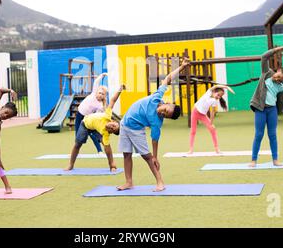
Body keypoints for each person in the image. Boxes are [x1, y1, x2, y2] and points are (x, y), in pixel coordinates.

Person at [117, 58, 190, 192]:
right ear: (167, 103)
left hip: (135, 130)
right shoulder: (157, 96)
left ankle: (160, 182)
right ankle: (129, 182)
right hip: (124, 124)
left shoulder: (157, 122)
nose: (163, 113)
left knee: (147, 157)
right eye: (166, 110)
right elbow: (168, 78)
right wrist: (182, 67)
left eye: (166, 115)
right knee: (126, 154)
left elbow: (155, 140)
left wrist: (155, 156)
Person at [249, 46, 283, 167]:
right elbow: (264, 57)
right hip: (260, 109)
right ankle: (253, 160)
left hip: (272, 111)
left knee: (272, 135)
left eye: (281, 79)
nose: (277, 79)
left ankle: (275, 159)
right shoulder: (266, 73)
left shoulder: (282, 87)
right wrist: (277, 50)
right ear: (278, 70)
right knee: (259, 134)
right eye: (278, 75)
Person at [66, 85, 125, 172]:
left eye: (112, 129)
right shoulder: (108, 115)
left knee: (105, 145)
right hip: (85, 124)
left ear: (111, 132)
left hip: (95, 129)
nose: (112, 127)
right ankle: (70, 165)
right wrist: (120, 90)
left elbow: (108, 149)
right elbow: (113, 100)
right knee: (77, 144)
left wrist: (112, 165)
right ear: (114, 121)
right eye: (114, 125)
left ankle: (111, 163)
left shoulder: (105, 133)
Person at [188, 85, 235, 154]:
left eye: (220, 97)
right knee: (193, 131)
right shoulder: (209, 92)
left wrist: (211, 123)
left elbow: (212, 113)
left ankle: (217, 149)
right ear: (214, 91)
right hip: (195, 112)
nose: (218, 97)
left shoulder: (214, 101)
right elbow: (216, 86)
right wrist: (226, 87)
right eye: (218, 94)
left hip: (203, 115)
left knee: (212, 129)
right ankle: (191, 149)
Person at [75, 73, 108, 153]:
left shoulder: (100, 105)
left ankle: (100, 150)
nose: (100, 95)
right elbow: (96, 82)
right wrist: (102, 75)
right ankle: (76, 152)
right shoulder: (93, 94)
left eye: (102, 94)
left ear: (104, 96)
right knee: (77, 135)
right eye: (99, 93)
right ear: (97, 92)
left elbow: (99, 115)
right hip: (79, 115)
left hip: (87, 118)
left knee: (92, 134)